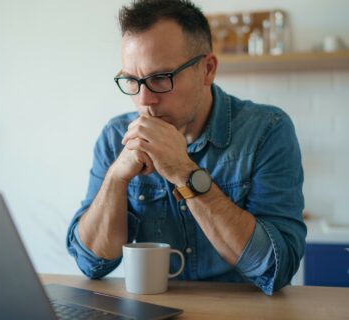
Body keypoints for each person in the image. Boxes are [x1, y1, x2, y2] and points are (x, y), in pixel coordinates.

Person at [66, 0, 306, 296]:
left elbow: (276, 268)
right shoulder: (116, 135)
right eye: (132, 80)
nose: (144, 100)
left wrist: (184, 172)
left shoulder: (268, 130)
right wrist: (116, 178)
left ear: (207, 69)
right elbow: (91, 264)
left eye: (160, 78)